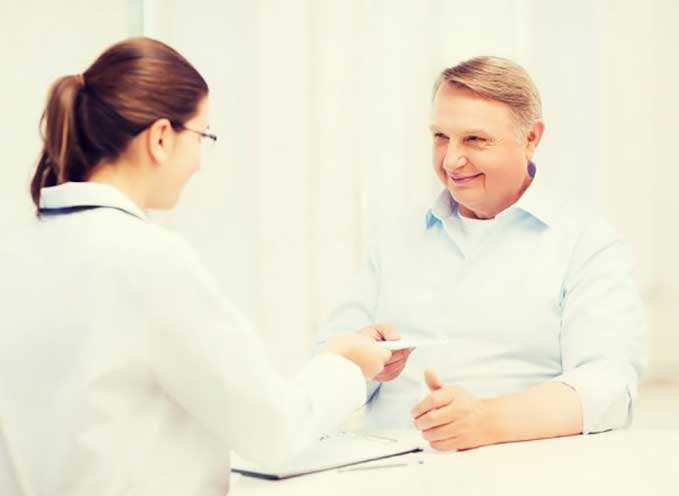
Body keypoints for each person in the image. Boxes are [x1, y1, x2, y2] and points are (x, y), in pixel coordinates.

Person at [0, 38, 395, 496]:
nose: (199, 162)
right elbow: (272, 431)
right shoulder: (146, 258)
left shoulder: (19, 247)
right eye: (202, 136)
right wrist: (346, 364)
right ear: (162, 138)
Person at [318, 56, 647, 451]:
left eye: (475, 140)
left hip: (522, 468)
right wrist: (363, 359)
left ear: (531, 138)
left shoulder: (585, 243)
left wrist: (486, 421)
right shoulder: (395, 238)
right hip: (387, 466)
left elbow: (610, 387)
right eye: (441, 137)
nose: (452, 160)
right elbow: (328, 364)